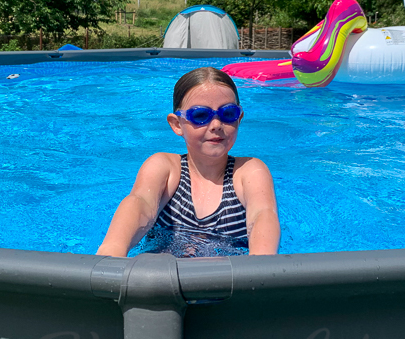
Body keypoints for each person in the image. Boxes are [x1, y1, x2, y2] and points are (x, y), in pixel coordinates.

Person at [97, 67, 280, 257]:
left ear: (239, 118)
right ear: (177, 124)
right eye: (200, 116)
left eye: (228, 113)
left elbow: (262, 214)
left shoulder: (249, 172)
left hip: (224, 273)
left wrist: (261, 261)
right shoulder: (165, 168)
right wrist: (112, 250)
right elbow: (140, 203)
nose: (216, 125)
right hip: (163, 271)